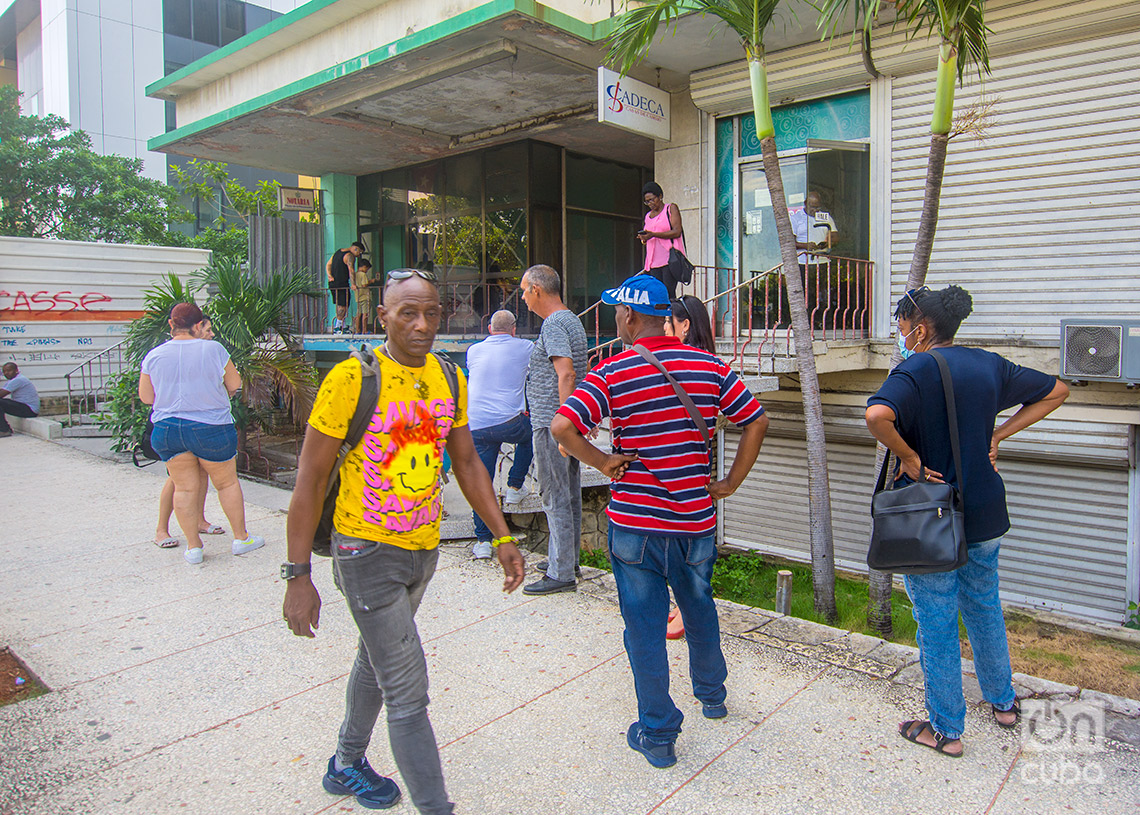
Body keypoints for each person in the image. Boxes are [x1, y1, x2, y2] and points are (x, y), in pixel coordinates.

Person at [282, 268, 525, 815]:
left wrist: (503, 534)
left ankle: (345, 762)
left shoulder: (447, 375)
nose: (421, 324)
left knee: (378, 658)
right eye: (407, 313)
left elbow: (465, 461)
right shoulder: (352, 378)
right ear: (383, 315)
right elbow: (309, 480)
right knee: (408, 692)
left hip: (424, 549)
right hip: (364, 550)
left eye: (431, 313)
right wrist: (298, 575)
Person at [552, 273, 769, 769]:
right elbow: (756, 420)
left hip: (636, 525)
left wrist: (605, 463)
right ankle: (712, 696)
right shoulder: (710, 366)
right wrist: (731, 482)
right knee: (699, 607)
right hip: (694, 519)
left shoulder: (612, 372)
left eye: (617, 313)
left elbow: (563, 426)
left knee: (644, 627)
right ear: (665, 316)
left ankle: (658, 734)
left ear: (628, 317)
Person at [865, 284, 1069, 758]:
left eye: (901, 323)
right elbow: (1056, 390)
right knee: (983, 604)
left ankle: (946, 730)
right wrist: (998, 434)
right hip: (984, 509)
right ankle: (1003, 703)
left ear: (921, 328)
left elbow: (877, 415)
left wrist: (910, 458)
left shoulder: (914, 367)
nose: (898, 332)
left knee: (936, 621)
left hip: (932, 517)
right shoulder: (990, 364)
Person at [139, 303, 266, 565]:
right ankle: (241, 538)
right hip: (211, 427)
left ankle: (194, 548)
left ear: (171, 326)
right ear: (198, 326)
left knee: (184, 488)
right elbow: (234, 384)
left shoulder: (154, 355)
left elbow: (146, 397)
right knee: (226, 483)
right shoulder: (214, 349)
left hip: (168, 429)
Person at [519, 264, 588, 595]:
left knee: (554, 494)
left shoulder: (555, 324)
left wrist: (563, 424)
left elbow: (567, 374)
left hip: (552, 423)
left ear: (536, 290)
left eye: (523, 290)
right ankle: (566, 559)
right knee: (569, 491)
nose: (522, 297)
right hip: (565, 422)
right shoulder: (570, 319)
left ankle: (561, 573)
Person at [466, 309, 535, 560]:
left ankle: (483, 542)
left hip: (477, 425)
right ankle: (516, 485)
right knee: (532, 435)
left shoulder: (473, 350)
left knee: (481, 482)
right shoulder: (526, 347)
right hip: (510, 423)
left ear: (490, 329)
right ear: (514, 329)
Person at [152, 319, 224, 548]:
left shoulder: (206, 353)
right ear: (196, 328)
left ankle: (199, 520)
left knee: (201, 474)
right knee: (176, 479)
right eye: (208, 329)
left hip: (201, 424)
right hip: (177, 424)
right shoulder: (171, 353)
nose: (212, 334)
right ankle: (161, 529)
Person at [791, 191, 839, 322]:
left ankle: (821, 321)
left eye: (818, 207)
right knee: (805, 295)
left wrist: (826, 243)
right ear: (806, 204)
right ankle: (805, 322)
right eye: (812, 207)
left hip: (822, 261)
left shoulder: (825, 217)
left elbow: (835, 237)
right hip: (803, 263)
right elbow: (789, 242)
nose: (815, 210)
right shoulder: (796, 218)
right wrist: (805, 246)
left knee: (822, 295)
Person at [639, 182, 686, 299]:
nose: (650, 203)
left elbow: (676, 231)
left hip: (669, 259)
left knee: (668, 292)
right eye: (647, 201)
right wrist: (644, 238)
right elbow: (649, 236)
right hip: (653, 261)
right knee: (657, 293)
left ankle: (672, 316)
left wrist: (653, 234)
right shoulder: (648, 216)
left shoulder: (670, 209)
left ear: (660, 196)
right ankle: (662, 317)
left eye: (652, 199)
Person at [327, 240, 365, 334]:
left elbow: (328, 264)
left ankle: (342, 326)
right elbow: (351, 270)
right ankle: (338, 327)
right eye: (359, 252)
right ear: (355, 248)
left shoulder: (337, 253)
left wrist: (329, 275)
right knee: (343, 305)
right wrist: (353, 284)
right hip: (342, 283)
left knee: (340, 304)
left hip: (333, 283)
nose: (358, 255)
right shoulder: (349, 256)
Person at [0, 362, 39, 438]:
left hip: (29, 410)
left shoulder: (18, 380)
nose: (6, 373)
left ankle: (4, 430)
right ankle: (5, 428)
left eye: (9, 371)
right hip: (24, 407)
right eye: (4, 371)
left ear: (16, 370)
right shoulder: (14, 380)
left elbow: (1, 394)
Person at [353, 258, 378, 334]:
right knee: (365, 314)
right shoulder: (363, 274)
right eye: (367, 268)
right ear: (364, 266)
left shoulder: (355, 274)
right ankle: (365, 330)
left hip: (358, 296)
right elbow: (364, 284)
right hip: (365, 296)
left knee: (358, 314)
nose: (367, 270)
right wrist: (371, 281)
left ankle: (357, 329)